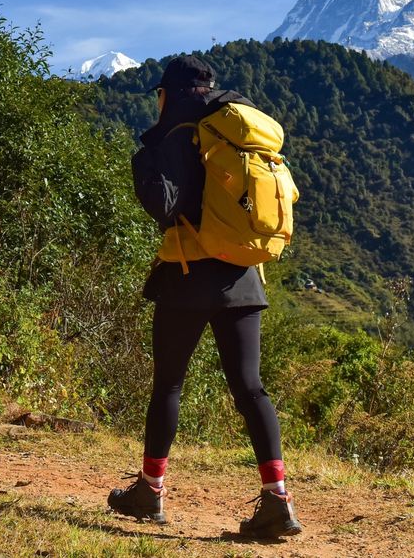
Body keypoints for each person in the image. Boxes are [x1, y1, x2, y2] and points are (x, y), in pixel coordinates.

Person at [107, 54, 301, 538]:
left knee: (169, 384)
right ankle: (278, 501)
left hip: (188, 275)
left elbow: (164, 205)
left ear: (168, 93)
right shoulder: (233, 130)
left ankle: (150, 491)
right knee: (251, 388)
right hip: (243, 277)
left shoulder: (176, 136)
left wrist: (145, 160)